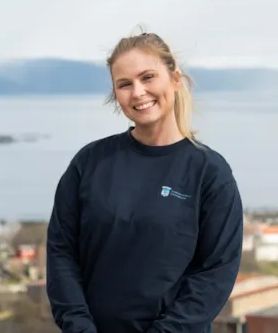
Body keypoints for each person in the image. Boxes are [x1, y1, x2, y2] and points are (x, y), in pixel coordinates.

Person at [45, 31, 243, 333]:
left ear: (175, 80)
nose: (137, 92)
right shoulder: (90, 163)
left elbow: (215, 272)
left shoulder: (209, 172)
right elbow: (62, 253)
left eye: (147, 77)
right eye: (124, 84)